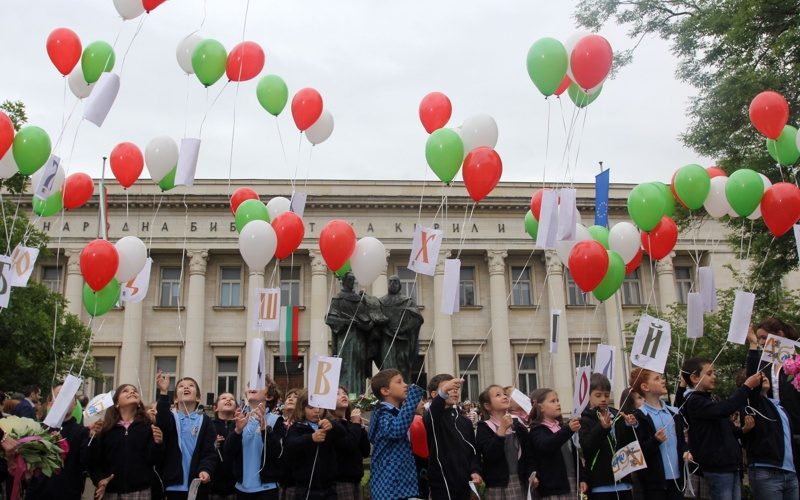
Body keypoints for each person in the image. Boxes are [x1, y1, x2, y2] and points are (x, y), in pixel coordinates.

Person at [680, 357, 762, 500]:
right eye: (709, 373)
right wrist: (746, 387)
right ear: (694, 377)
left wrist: (743, 430)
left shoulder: (712, 399)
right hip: (717, 467)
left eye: (714, 373)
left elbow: (728, 430)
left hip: (731, 465)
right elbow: (723, 409)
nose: (714, 377)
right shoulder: (694, 401)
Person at [89, 384, 165, 499]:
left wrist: (158, 444)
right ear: (116, 403)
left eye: (134, 390)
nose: (132, 392)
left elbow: (154, 460)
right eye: (125, 391)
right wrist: (99, 480)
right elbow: (93, 460)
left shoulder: (147, 426)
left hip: (141, 491)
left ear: (139, 403)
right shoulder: (105, 429)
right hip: (111, 491)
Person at [155, 373, 217, 499]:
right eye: (181, 386)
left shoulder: (205, 421)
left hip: (196, 485)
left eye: (191, 385)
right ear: (175, 399)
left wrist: (206, 470)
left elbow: (209, 452)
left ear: (198, 398)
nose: (186, 387)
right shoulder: (171, 418)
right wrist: (163, 392)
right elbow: (162, 421)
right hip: (172, 485)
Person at [367, 368, 425, 500]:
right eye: (399, 382)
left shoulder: (394, 413)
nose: (405, 385)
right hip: (390, 484)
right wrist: (412, 399)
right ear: (385, 391)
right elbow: (396, 431)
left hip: (399, 483)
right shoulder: (383, 413)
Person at [25, 384, 90, 500]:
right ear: (50, 403)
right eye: (59, 396)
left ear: (75, 404)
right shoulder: (37, 429)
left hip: (67, 493)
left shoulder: (82, 432)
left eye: (68, 397)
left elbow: (87, 462)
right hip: (38, 493)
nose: (64, 400)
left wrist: (93, 439)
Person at [628, 368, 685, 500]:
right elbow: (638, 454)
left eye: (661, 377)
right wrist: (655, 440)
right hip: (653, 485)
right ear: (645, 387)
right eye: (657, 378)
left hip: (677, 480)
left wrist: (686, 451)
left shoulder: (674, 413)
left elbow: (681, 442)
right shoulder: (639, 417)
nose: (662, 381)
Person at [741, 370, 799, 499]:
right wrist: (754, 350)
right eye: (758, 376)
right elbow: (753, 366)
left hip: (790, 472)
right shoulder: (753, 406)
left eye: (764, 375)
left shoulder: (780, 408)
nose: (763, 377)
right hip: (766, 471)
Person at [579, 374, 637, 499]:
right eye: (598, 395)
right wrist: (602, 428)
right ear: (588, 397)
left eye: (606, 395)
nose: (603, 399)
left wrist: (629, 425)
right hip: (600, 482)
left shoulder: (618, 415)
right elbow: (587, 447)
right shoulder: (585, 419)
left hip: (624, 480)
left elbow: (629, 442)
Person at [423, 374, 481, 500]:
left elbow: (473, 451)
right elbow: (433, 413)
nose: (454, 390)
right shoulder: (432, 417)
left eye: (455, 387)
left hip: (464, 483)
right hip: (441, 484)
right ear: (434, 394)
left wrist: (475, 470)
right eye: (448, 388)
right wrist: (443, 393)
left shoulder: (465, 421)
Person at [284, 390, 344, 500]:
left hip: (329, 486)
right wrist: (310, 438)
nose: (317, 411)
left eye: (320, 407)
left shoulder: (328, 424)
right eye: (311, 408)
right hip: (305, 487)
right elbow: (290, 445)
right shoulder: (297, 427)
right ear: (302, 409)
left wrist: (333, 426)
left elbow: (343, 435)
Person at [527, 388, 586, 499]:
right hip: (553, 488)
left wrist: (582, 478)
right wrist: (568, 430)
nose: (558, 404)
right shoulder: (537, 430)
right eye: (552, 401)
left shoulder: (561, 427)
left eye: (557, 400)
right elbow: (547, 445)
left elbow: (575, 455)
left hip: (571, 481)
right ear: (541, 407)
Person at [224, 387, 279, 499]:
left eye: (259, 384)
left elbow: (277, 452)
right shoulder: (239, 419)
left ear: (269, 396)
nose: (253, 386)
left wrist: (264, 428)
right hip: (241, 488)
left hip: (267, 489)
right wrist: (237, 431)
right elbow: (228, 452)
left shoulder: (277, 420)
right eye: (250, 384)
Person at [476, 384, 528, 499]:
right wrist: (502, 430)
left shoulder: (517, 424)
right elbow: (489, 454)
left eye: (505, 394)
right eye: (498, 395)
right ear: (487, 406)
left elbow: (529, 452)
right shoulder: (484, 427)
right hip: (498, 485)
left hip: (519, 482)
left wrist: (532, 473)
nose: (504, 397)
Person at [327, 387, 369, 500]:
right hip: (340, 481)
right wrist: (355, 424)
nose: (343, 395)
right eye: (337, 394)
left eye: (345, 393)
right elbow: (349, 445)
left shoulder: (351, 424)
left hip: (356, 479)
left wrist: (360, 427)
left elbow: (365, 451)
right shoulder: (331, 425)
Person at [210, 393, 237, 500]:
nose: (228, 400)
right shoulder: (209, 425)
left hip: (236, 485)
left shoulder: (240, 425)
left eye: (232, 399)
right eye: (224, 398)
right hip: (214, 485)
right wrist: (212, 445)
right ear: (215, 408)